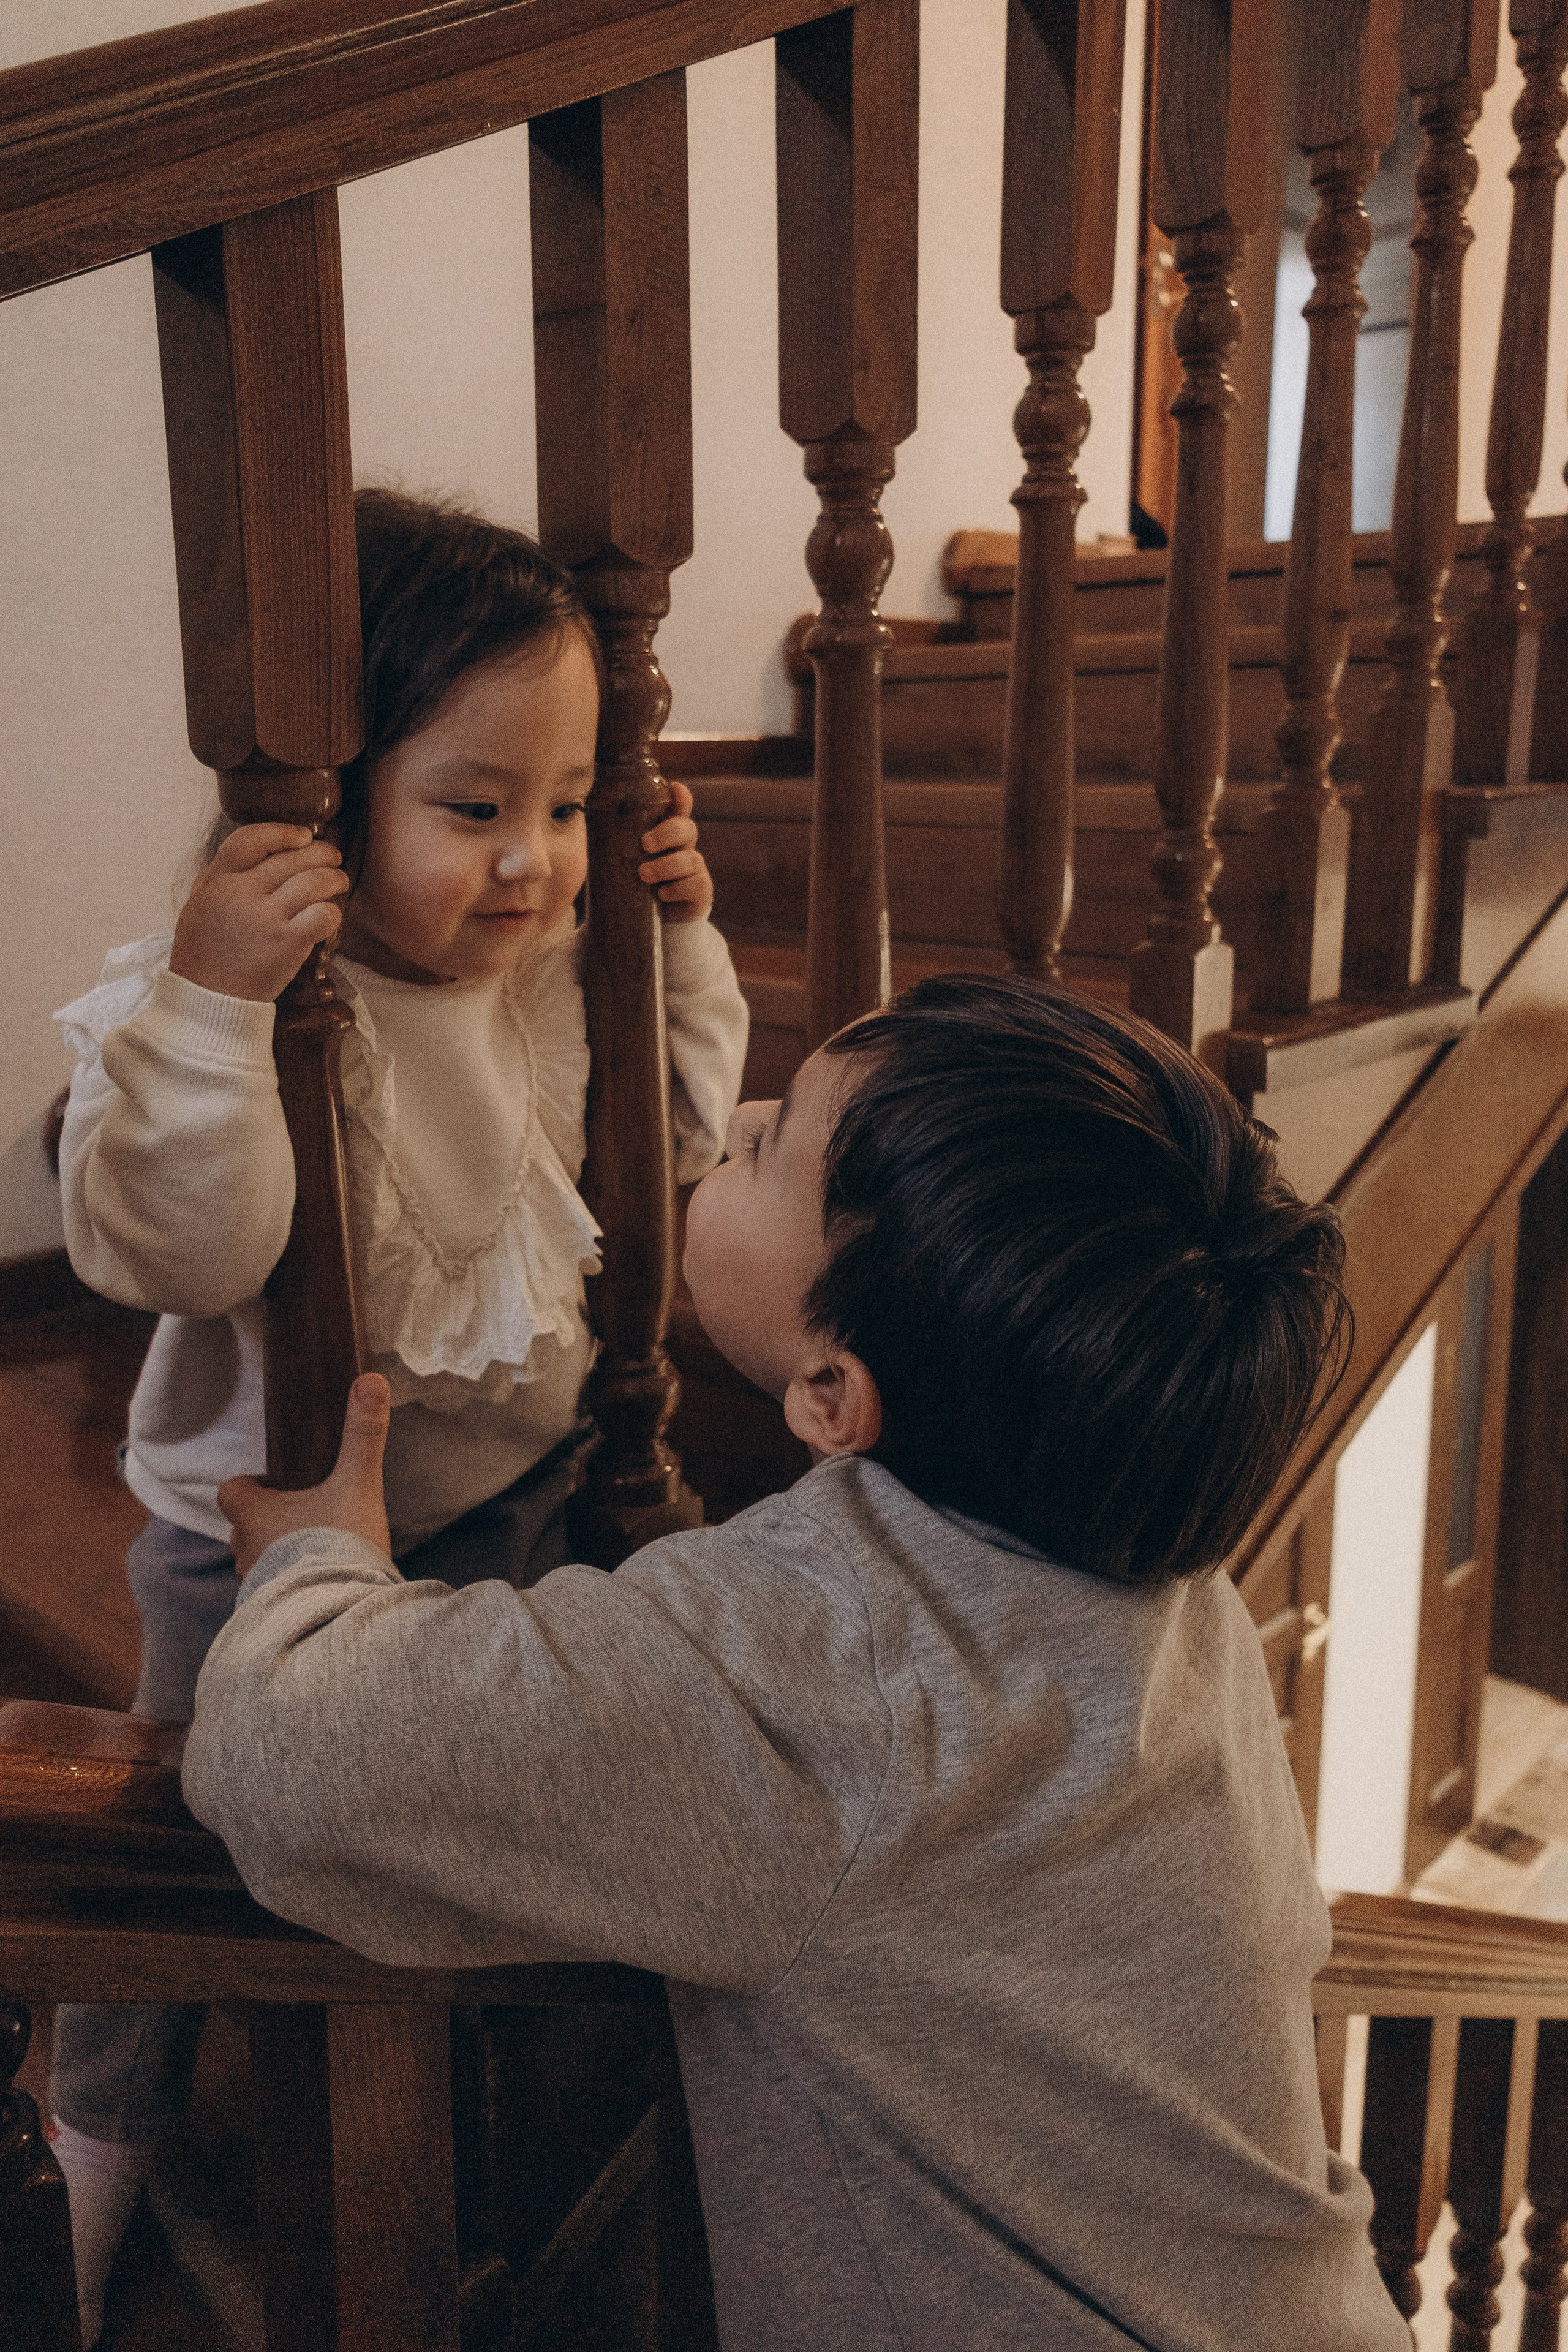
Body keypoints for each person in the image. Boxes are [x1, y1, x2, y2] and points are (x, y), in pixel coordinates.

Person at [184, 975, 1408, 2352]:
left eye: (769, 1145)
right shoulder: (1185, 1599)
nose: (743, 1114)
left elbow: (288, 1753)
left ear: (832, 1393)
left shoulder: (814, 1668)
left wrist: (317, 1561)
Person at [48, 487, 748, 2344]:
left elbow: (669, 1145)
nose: (532, 864)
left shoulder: (540, 980)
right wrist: (211, 1004)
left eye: (570, 808)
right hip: (256, 1538)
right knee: (182, 1870)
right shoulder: (270, 1009)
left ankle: (458, 2147)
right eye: (474, 807)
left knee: (444, 1826)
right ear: (331, 801)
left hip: (509, 1500)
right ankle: (91, 2154)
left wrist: (675, 941)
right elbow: (181, 1253)